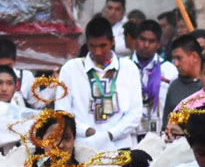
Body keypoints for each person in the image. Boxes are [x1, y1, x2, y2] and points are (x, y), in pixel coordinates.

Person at [59, 17, 143, 153]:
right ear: (87, 43)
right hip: (83, 146)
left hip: (120, 146)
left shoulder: (129, 68)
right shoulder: (71, 69)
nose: (97, 51)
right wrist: (88, 131)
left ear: (112, 41)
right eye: (92, 46)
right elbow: (62, 112)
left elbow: (135, 113)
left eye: (102, 45)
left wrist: (110, 134)